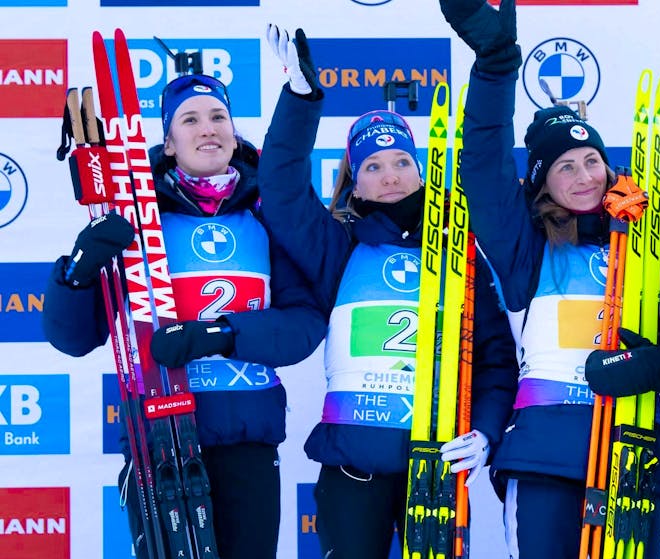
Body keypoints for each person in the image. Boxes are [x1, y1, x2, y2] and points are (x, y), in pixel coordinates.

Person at [43, 71, 326, 559]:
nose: (207, 128)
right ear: (169, 144)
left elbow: (302, 325)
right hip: (158, 436)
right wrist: (79, 270)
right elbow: (72, 337)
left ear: (234, 133)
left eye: (218, 116)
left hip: (246, 437)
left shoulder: (267, 213)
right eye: (190, 120)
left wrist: (219, 334)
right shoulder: (136, 216)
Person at [261, 26, 519, 559]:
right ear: (354, 183)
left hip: (436, 466)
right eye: (373, 167)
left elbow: (496, 361)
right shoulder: (338, 248)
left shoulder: (459, 254)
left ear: (420, 169)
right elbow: (283, 193)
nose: (391, 176)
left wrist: (487, 433)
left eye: (402, 161)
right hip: (353, 467)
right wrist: (301, 99)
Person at [439, 1, 660, 557]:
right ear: (543, 183)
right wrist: (496, 66)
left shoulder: (644, 237)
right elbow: (482, 168)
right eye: (564, 166)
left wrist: (653, 364)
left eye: (591, 160)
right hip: (543, 450)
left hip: (632, 448)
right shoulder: (527, 244)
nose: (584, 176)